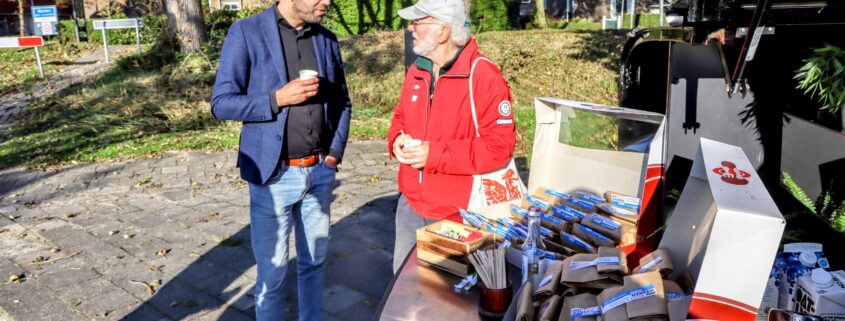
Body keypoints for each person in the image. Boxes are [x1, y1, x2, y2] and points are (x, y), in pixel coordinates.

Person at [210, 0, 351, 319]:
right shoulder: (246, 32)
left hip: (320, 171)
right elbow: (221, 104)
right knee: (272, 276)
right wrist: (276, 99)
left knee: (313, 265)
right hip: (273, 176)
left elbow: (342, 102)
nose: (327, 2)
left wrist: (333, 154)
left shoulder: (326, 38)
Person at [388, 0, 517, 272]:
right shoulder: (417, 70)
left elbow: (499, 146)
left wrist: (433, 155)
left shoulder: (483, 75)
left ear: (442, 32)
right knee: (402, 294)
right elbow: (400, 116)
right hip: (409, 203)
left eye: (418, 22)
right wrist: (397, 138)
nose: (410, 28)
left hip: (456, 213)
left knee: (444, 298)